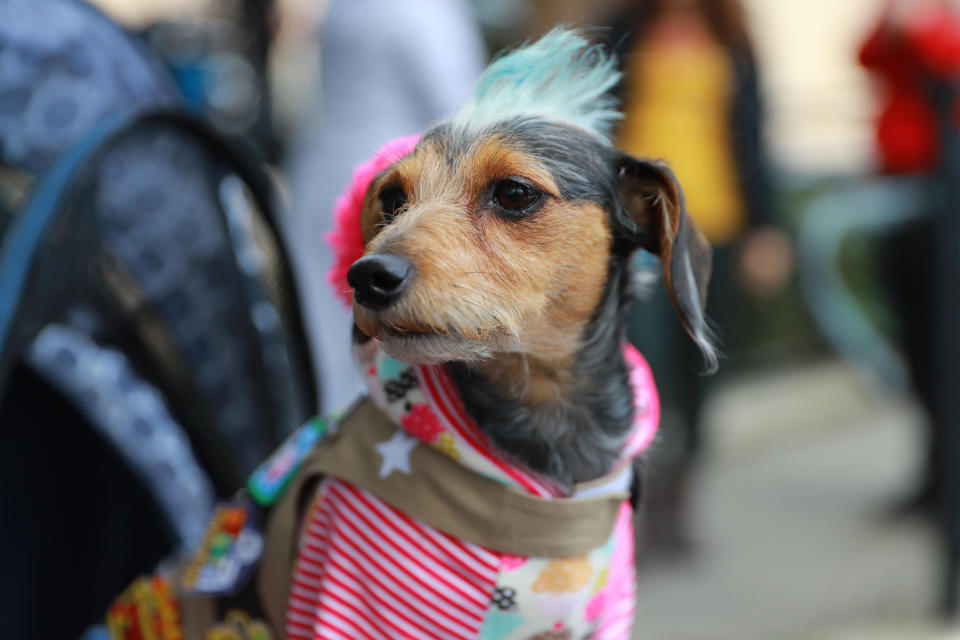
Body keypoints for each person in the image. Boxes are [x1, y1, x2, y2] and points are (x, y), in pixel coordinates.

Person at [608, 0, 789, 553]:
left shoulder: (731, 37)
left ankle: (678, 502)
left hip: (716, 230)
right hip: (639, 231)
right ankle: (637, 502)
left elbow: (756, 137)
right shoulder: (625, 30)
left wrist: (768, 228)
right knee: (646, 369)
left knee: (703, 373)